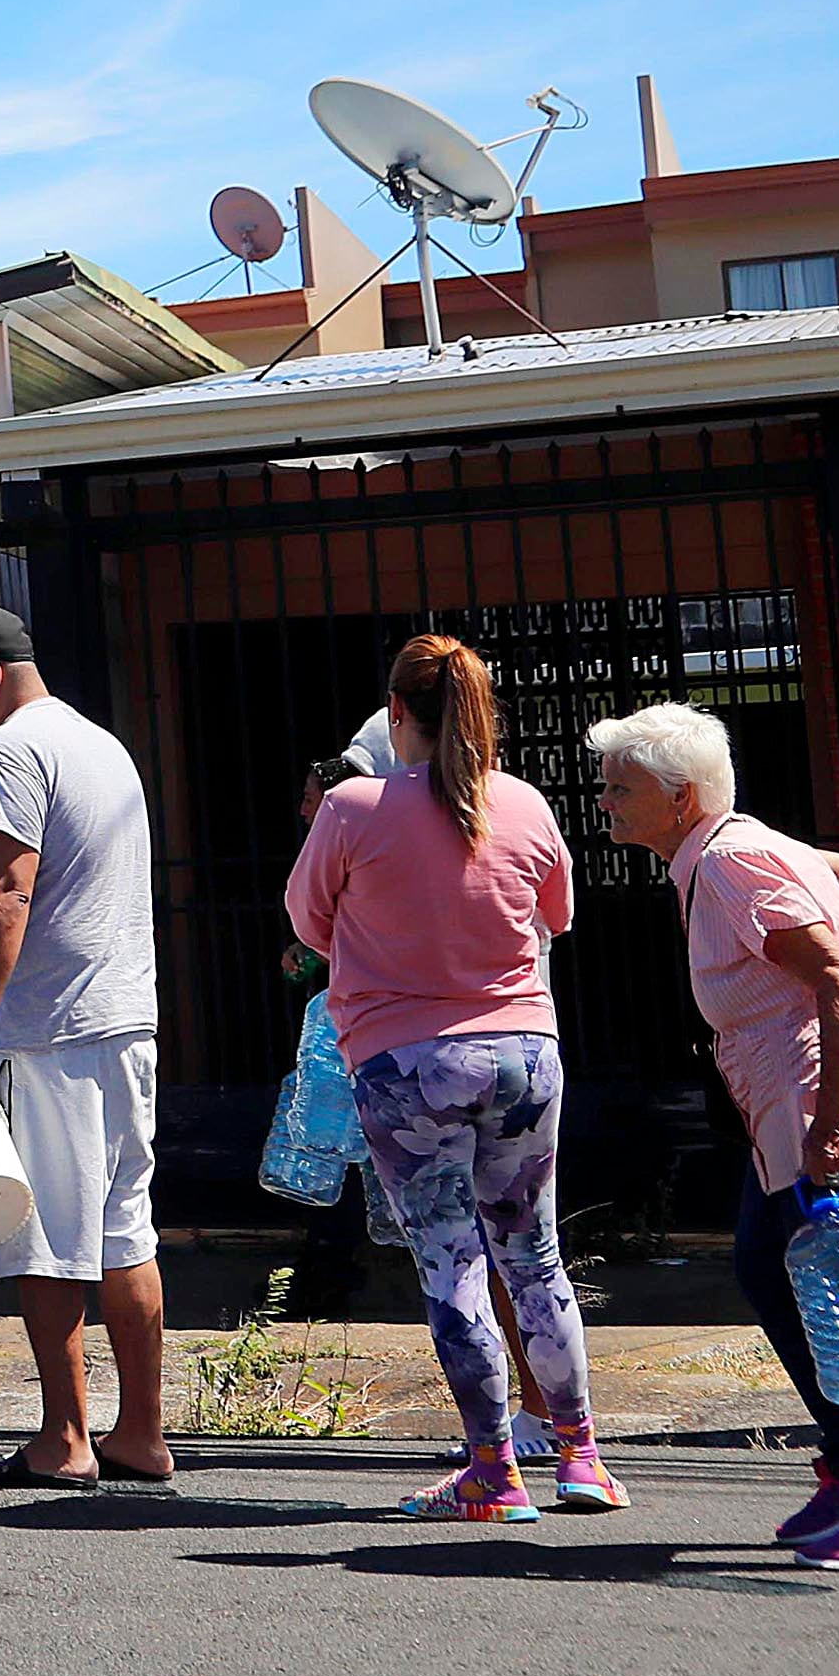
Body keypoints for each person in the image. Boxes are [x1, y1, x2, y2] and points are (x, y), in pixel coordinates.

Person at [588, 702, 839, 1573]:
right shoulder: (723, 851)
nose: (604, 801)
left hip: (815, 1115)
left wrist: (832, 1123)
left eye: (619, 787)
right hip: (783, 1114)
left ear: (680, 797)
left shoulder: (730, 862)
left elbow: (830, 974)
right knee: (766, 1266)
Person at [285, 637, 621, 1522]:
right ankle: (582, 1455)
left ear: (398, 712)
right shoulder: (525, 802)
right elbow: (559, 915)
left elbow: (307, 919)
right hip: (524, 1054)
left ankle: (492, 1469)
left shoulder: (354, 808)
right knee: (535, 1254)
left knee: (452, 1261)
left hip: (407, 1064)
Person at [0, 604, 172, 1493]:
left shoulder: (7, 753)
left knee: (40, 1239)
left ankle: (65, 1438)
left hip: (49, 1027)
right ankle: (142, 1432)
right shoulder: (101, 744)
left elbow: (8, 890)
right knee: (124, 1231)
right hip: (124, 1019)